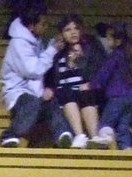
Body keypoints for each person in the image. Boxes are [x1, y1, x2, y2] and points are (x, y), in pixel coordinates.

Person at [0, 0, 72, 149]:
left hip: (35, 93)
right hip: (18, 93)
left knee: (51, 103)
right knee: (31, 103)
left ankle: (63, 135)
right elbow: (33, 70)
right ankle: (9, 135)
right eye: (43, 24)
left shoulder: (35, 40)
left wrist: (53, 44)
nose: (46, 27)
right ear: (31, 26)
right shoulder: (19, 44)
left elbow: (41, 60)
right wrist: (53, 49)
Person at [47, 13, 108, 148]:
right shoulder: (57, 53)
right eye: (68, 30)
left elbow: (103, 69)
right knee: (66, 92)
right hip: (65, 95)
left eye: (76, 28)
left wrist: (90, 81)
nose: (73, 32)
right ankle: (80, 136)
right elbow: (50, 77)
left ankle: (94, 137)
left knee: (84, 93)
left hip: (87, 92)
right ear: (62, 34)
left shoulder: (91, 47)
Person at [89, 22, 132, 149]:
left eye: (109, 38)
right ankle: (127, 148)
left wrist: (92, 85)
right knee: (123, 126)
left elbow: (104, 73)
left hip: (117, 96)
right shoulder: (129, 56)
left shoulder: (115, 56)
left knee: (105, 123)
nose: (107, 40)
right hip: (130, 97)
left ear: (118, 41)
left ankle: (105, 141)